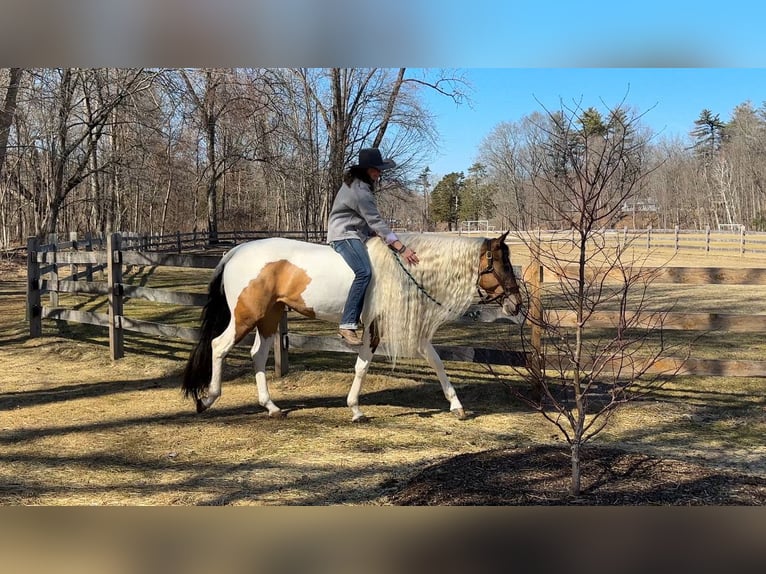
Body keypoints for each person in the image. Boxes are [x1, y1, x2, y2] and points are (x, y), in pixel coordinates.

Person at [327, 147, 419, 346]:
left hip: (356, 231)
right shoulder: (361, 192)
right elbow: (376, 222)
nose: (379, 173)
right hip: (344, 234)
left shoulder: (357, 184)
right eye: (376, 170)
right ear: (366, 170)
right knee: (364, 272)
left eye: (380, 169)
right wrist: (401, 248)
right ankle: (347, 323)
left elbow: (370, 223)